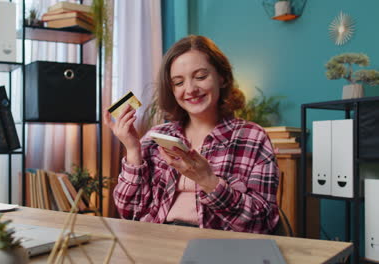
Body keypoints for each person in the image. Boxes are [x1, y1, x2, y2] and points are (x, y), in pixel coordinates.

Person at [104, 35, 279, 234]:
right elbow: (129, 212)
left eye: (201, 77)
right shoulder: (156, 137)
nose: (190, 89)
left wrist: (209, 182)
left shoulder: (253, 138)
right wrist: (133, 150)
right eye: (178, 82)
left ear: (222, 78)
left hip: (221, 247)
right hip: (157, 243)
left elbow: (262, 222)